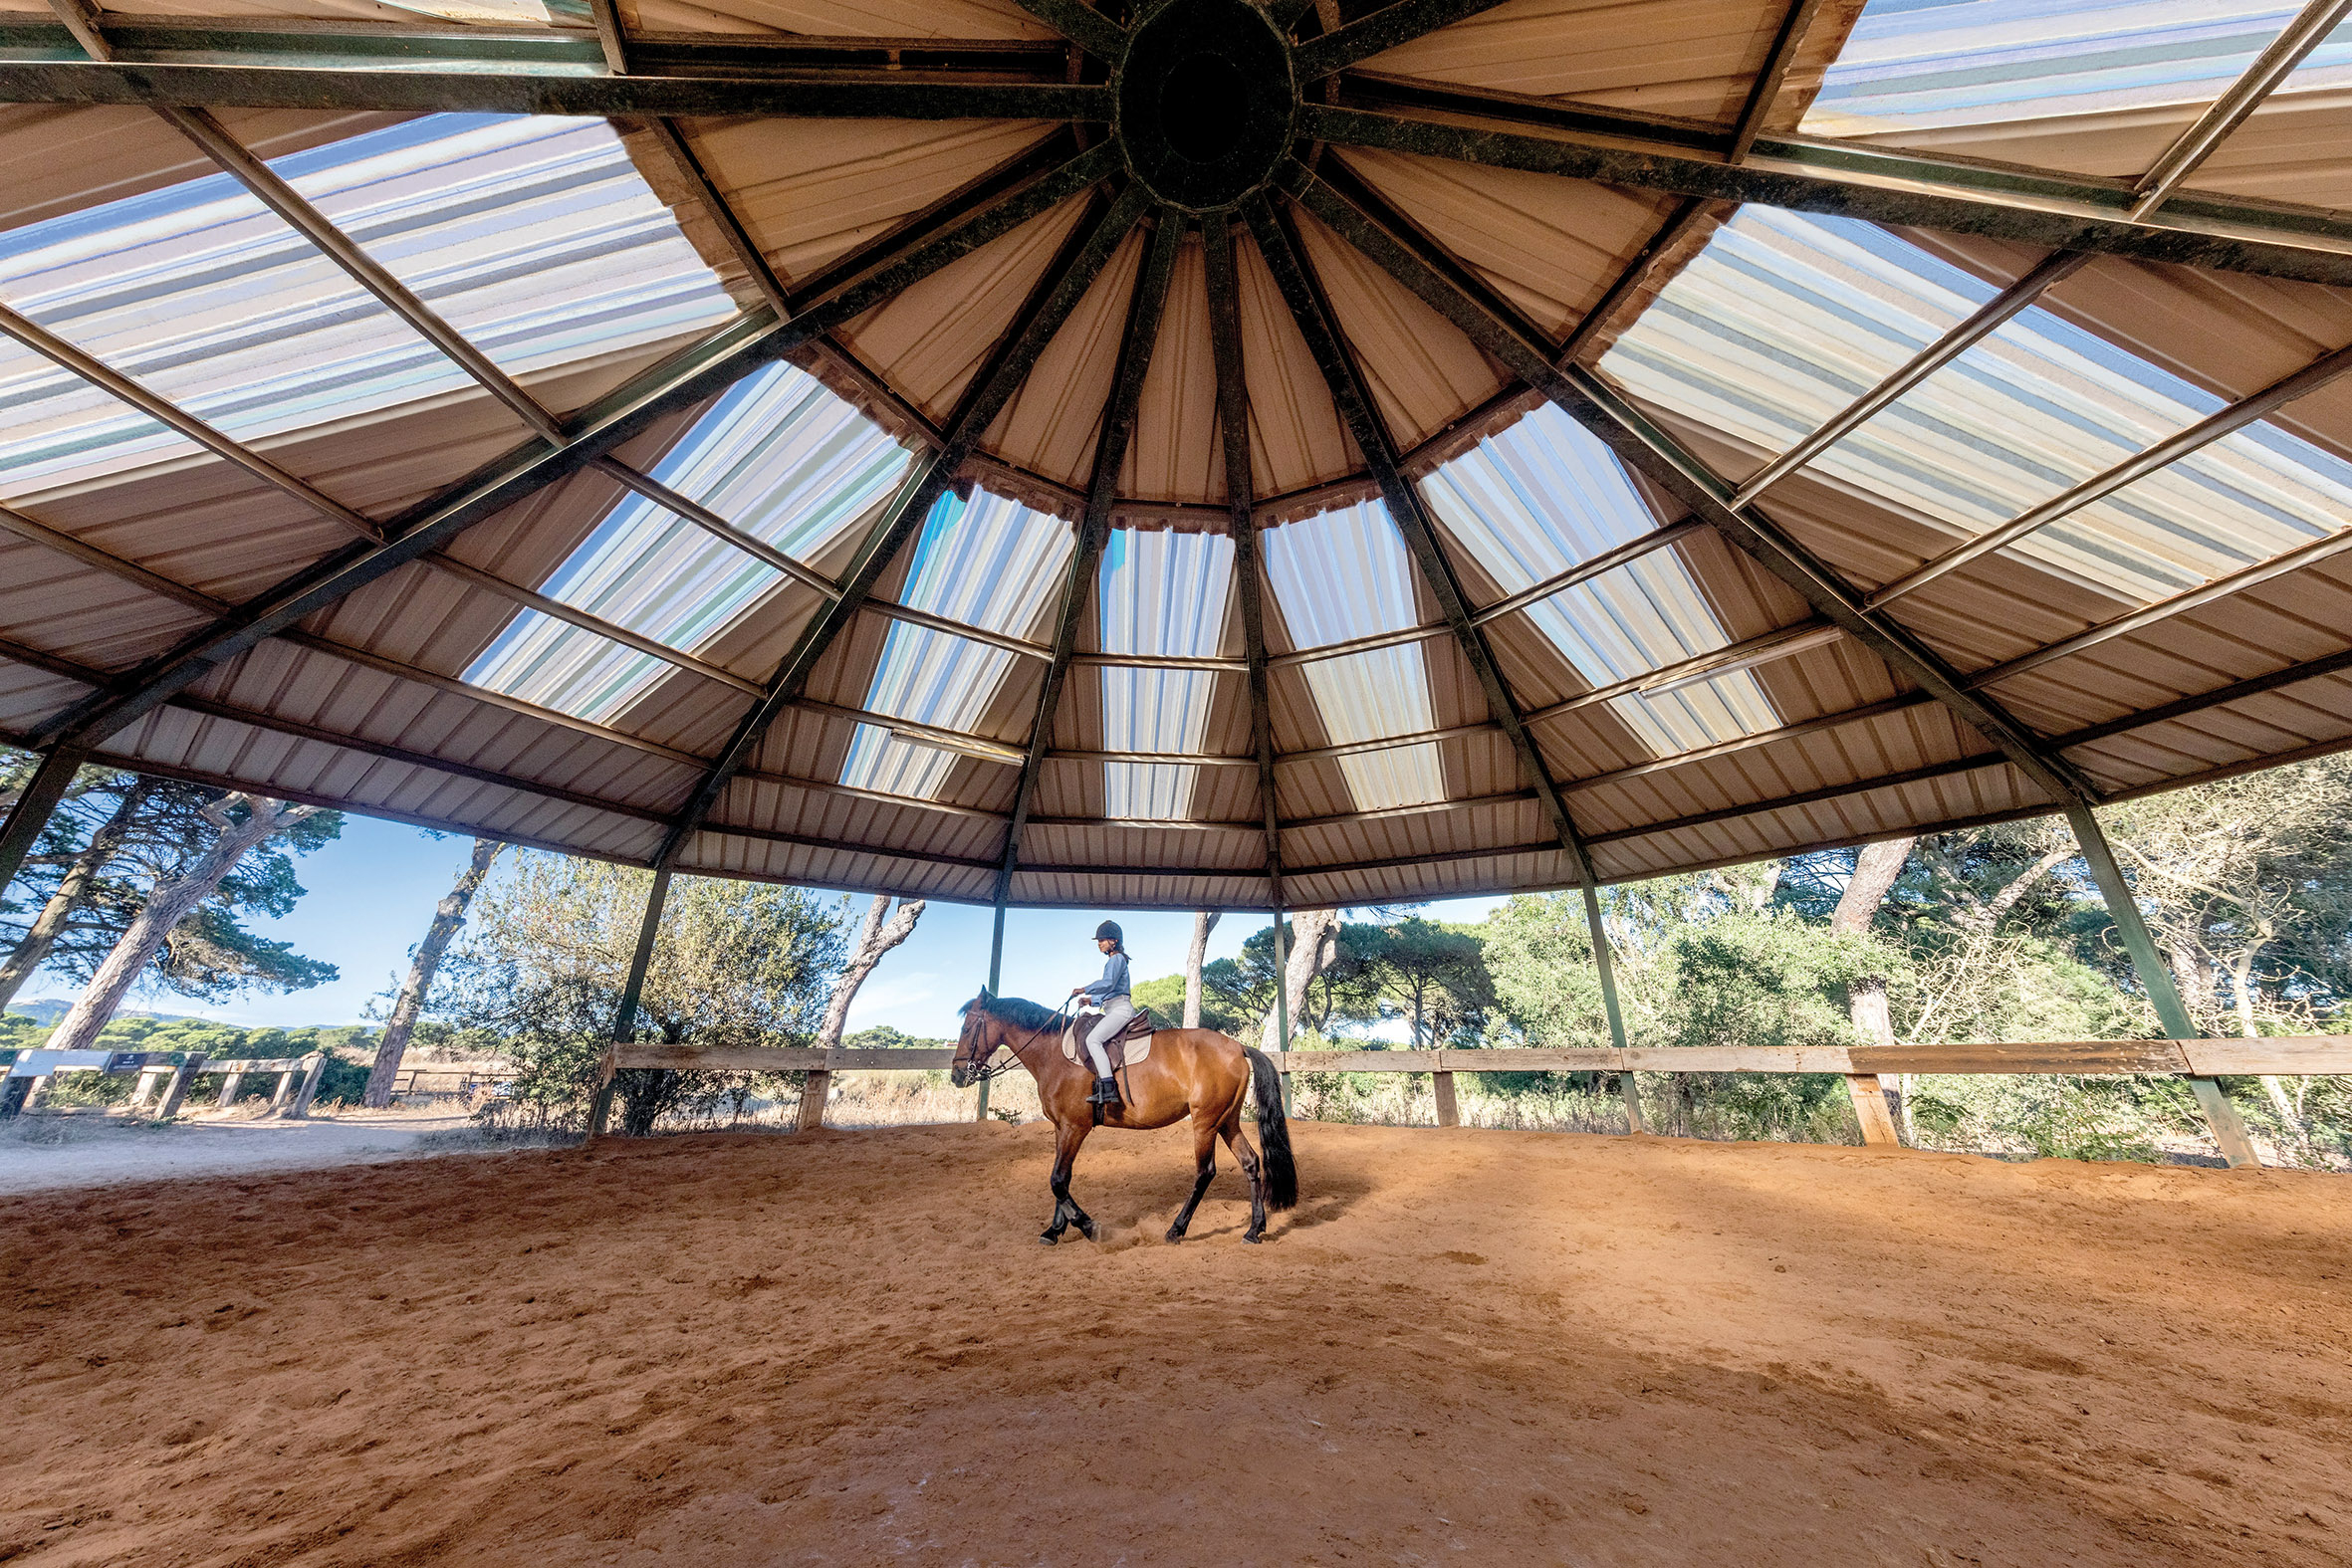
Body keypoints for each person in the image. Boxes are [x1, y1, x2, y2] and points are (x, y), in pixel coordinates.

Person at [1068, 920, 1132, 1111]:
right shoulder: (1114, 960)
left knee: (1093, 1040)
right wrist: (1090, 1001)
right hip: (1113, 1007)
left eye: (1102, 940)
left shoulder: (1117, 959)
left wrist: (1084, 989)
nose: (1099, 943)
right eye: (1098, 940)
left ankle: (1108, 1087)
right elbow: (1110, 990)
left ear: (1114, 941)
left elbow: (1108, 982)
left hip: (1120, 1009)